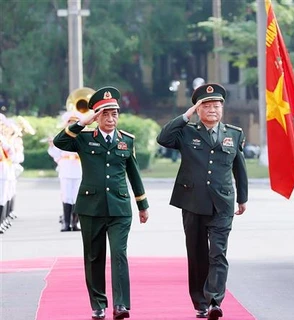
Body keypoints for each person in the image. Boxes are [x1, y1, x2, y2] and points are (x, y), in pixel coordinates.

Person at [53, 86, 149, 320]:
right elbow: (59, 142)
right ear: (96, 117)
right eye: (104, 114)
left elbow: (133, 173)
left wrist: (142, 205)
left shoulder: (126, 141)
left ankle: (121, 305)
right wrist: (83, 121)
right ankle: (98, 304)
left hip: (119, 207)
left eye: (114, 113)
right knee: (94, 256)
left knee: (119, 254)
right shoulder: (83, 139)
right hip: (91, 208)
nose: (110, 118)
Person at [157, 83, 248, 320]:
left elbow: (240, 167)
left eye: (217, 106)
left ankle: (215, 301)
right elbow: (163, 138)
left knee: (218, 253)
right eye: (206, 106)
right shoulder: (186, 132)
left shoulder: (233, 133)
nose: (213, 110)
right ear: (198, 109)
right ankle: (199, 301)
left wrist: (243, 198)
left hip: (223, 203)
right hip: (192, 201)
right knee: (196, 253)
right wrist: (186, 115)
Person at [48, 111, 83, 232]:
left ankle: (75, 222)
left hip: (78, 169)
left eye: (75, 123)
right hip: (66, 169)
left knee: (77, 197)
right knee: (66, 196)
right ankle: (66, 222)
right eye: (70, 123)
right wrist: (52, 146)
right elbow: (55, 154)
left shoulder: (82, 137)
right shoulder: (62, 137)